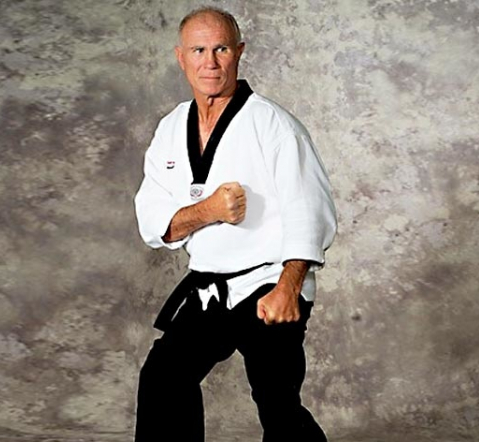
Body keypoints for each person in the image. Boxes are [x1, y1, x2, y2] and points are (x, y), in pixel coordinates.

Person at [133, 6, 336, 442]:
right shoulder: (171, 128)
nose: (210, 62)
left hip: (269, 282)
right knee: (164, 378)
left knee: (277, 402)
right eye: (198, 50)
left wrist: (288, 289)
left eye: (221, 49)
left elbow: (310, 210)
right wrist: (209, 210)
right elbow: (155, 225)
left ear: (239, 52)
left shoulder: (273, 125)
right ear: (181, 57)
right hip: (209, 287)